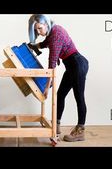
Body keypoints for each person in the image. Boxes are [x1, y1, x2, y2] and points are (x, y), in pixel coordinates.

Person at [28, 14, 89, 142]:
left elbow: (52, 65)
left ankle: (80, 131)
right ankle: (56, 124)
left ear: (46, 24)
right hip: (72, 65)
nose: (38, 32)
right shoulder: (52, 33)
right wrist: (34, 46)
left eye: (39, 28)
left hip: (77, 64)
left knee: (79, 97)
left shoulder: (56, 35)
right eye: (36, 30)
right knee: (60, 95)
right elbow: (44, 44)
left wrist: (46, 88)